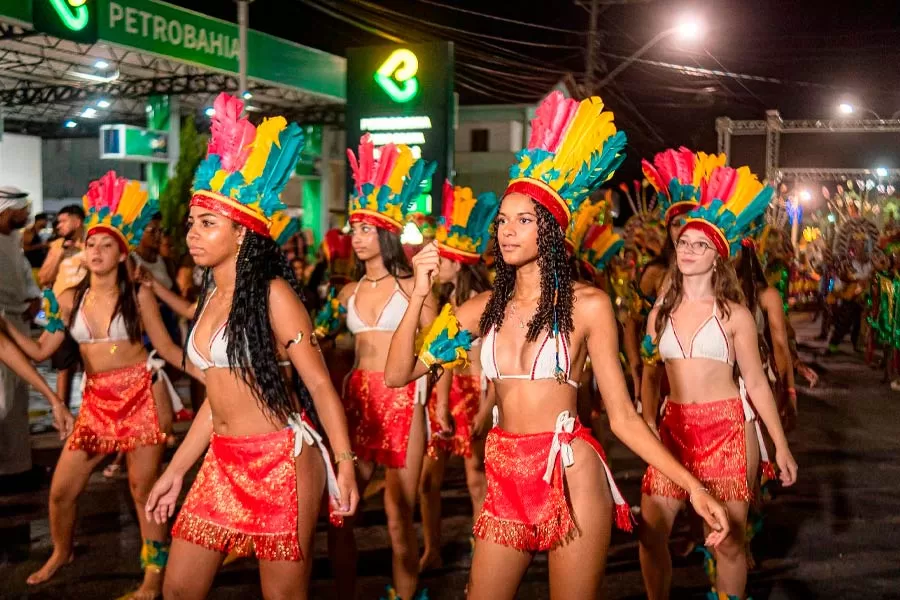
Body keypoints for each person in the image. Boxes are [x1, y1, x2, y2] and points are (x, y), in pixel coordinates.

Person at [385, 92, 731, 599]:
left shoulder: (588, 305)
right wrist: (418, 294)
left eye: (523, 220)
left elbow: (624, 418)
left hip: (569, 470)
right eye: (502, 220)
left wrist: (694, 485)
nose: (506, 230)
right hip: (505, 474)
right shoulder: (484, 308)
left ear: (549, 229)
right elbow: (399, 373)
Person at [143, 93, 358, 598]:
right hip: (220, 459)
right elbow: (219, 400)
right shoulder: (211, 291)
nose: (192, 234)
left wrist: (344, 466)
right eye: (193, 223)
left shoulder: (273, 295)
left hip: (280, 461)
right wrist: (175, 471)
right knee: (178, 590)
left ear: (242, 234)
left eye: (207, 224)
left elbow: (322, 388)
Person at [2, 172, 191, 599]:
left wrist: (210, 376)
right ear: (83, 251)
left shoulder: (137, 294)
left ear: (122, 252)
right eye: (91, 243)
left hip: (142, 393)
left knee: (144, 489)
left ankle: (153, 574)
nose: (97, 250)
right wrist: (7, 328)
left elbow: (164, 345)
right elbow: (39, 352)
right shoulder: (68, 299)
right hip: (97, 401)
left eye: (107, 245)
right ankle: (61, 553)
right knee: (62, 490)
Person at [639, 162, 799, 600]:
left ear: (717, 255)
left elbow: (757, 385)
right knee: (651, 532)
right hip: (674, 431)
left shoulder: (736, 315)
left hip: (728, 430)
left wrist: (780, 445)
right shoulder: (658, 314)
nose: (687, 249)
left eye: (699, 245)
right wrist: (646, 418)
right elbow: (649, 372)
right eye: (683, 242)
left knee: (729, 542)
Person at [317, 133, 437, 600]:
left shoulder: (413, 287)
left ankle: (406, 594)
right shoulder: (344, 293)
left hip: (404, 399)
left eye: (365, 229)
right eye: (354, 229)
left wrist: (438, 400)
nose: (356, 236)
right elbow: (316, 342)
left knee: (396, 510)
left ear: (385, 234)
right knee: (341, 505)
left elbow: (440, 349)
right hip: (357, 399)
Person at [418, 181, 498, 571]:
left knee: (475, 479)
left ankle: (484, 550)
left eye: (443, 259)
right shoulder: (442, 301)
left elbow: (495, 362)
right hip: (445, 397)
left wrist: (485, 408)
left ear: (458, 264)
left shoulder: (483, 305)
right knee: (427, 480)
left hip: (477, 395)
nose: (437, 265)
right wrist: (439, 405)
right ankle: (431, 548)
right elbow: (440, 361)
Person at [0, 186, 43, 490]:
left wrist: (33, 300)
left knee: (17, 403)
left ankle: (18, 468)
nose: (27, 214)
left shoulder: (13, 243)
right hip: (3, 328)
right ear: (7, 210)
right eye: (22, 209)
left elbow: (28, 283)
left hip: (19, 327)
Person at [39, 203, 88, 409]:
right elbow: (43, 278)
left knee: (91, 364)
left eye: (62, 221)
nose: (58, 226)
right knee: (63, 366)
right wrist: (59, 254)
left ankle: (92, 414)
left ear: (77, 221)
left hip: (88, 314)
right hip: (61, 317)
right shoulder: (56, 247)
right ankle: (61, 412)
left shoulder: (92, 244)